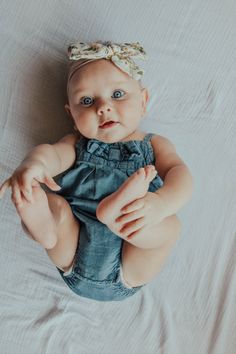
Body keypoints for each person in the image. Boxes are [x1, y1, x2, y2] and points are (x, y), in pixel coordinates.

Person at [0, 41, 193, 301]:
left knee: (169, 227)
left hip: (130, 260)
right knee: (54, 206)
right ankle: (44, 226)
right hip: (74, 250)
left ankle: (118, 218)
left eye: (117, 95)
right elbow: (51, 154)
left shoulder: (153, 145)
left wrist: (161, 203)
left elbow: (180, 175)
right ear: (72, 116)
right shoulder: (76, 145)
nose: (103, 108)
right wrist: (33, 165)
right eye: (87, 100)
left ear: (143, 101)